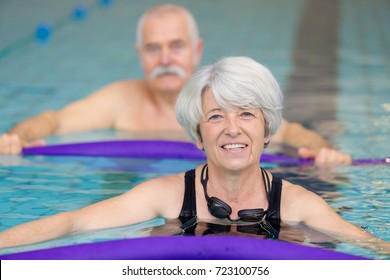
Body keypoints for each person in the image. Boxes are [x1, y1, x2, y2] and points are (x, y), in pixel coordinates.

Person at [0, 56, 388, 255]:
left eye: (247, 114)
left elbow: (368, 245)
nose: (232, 129)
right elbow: (73, 224)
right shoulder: (166, 195)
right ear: (198, 135)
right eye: (216, 116)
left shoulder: (299, 203)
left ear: (267, 130)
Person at [0, 4, 351, 165]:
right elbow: (54, 121)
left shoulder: (221, 101)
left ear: (197, 50)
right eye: (154, 49)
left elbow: (290, 132)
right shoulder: (121, 99)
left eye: (176, 46)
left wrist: (319, 149)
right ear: (140, 55)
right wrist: (21, 135)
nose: (165, 58)